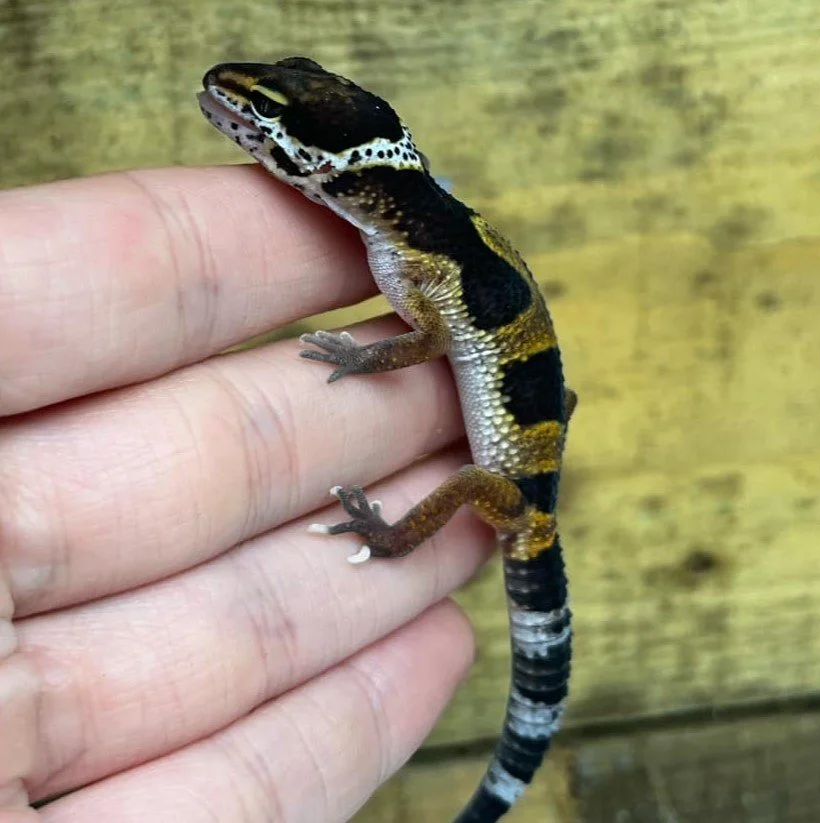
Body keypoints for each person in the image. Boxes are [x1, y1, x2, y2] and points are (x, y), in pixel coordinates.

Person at [0, 165, 493, 822]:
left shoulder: (421, 257)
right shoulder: (415, 241)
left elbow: (431, 338)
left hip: (515, 467)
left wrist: (360, 360)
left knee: (467, 481)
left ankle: (394, 539)